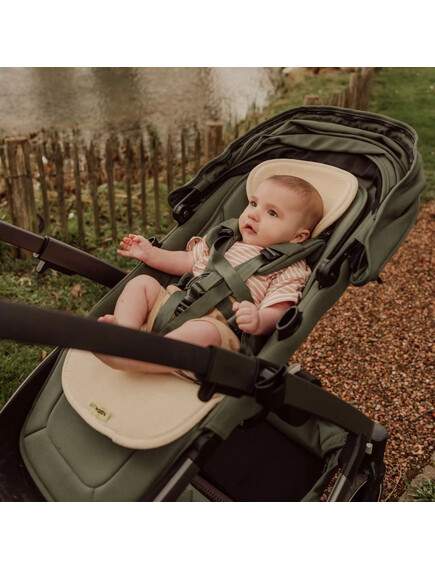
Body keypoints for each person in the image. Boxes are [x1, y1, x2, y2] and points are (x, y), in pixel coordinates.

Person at [95, 174, 323, 373]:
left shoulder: (289, 266)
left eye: (272, 212)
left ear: (298, 237)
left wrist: (259, 320)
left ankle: (136, 358)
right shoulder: (224, 239)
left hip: (219, 324)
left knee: (203, 332)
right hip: (176, 303)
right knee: (142, 283)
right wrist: (151, 254)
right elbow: (187, 261)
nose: (253, 214)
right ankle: (125, 334)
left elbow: (280, 308)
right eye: (253, 203)